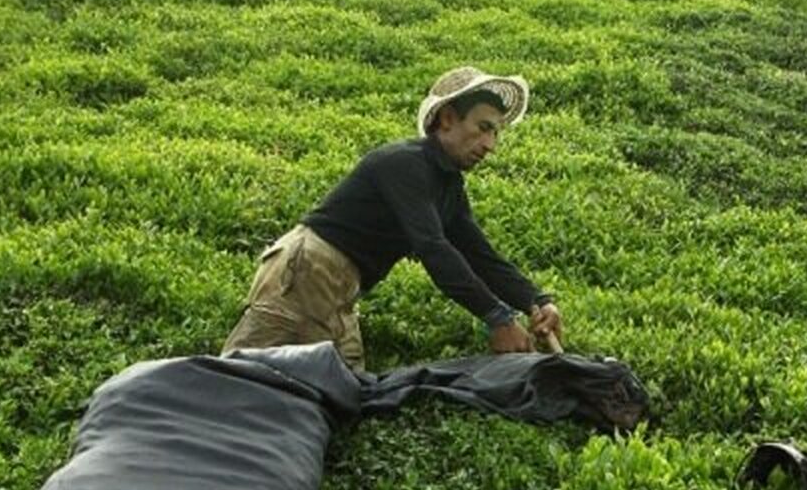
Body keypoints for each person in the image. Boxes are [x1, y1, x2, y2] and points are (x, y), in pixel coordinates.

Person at [222, 66, 562, 371]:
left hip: (341, 288)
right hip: (308, 272)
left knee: (341, 394)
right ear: (446, 119)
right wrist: (498, 318)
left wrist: (535, 300)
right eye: (483, 128)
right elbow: (433, 248)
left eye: (496, 133)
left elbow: (478, 253)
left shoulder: (446, 183)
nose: (490, 145)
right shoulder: (405, 164)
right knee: (243, 379)